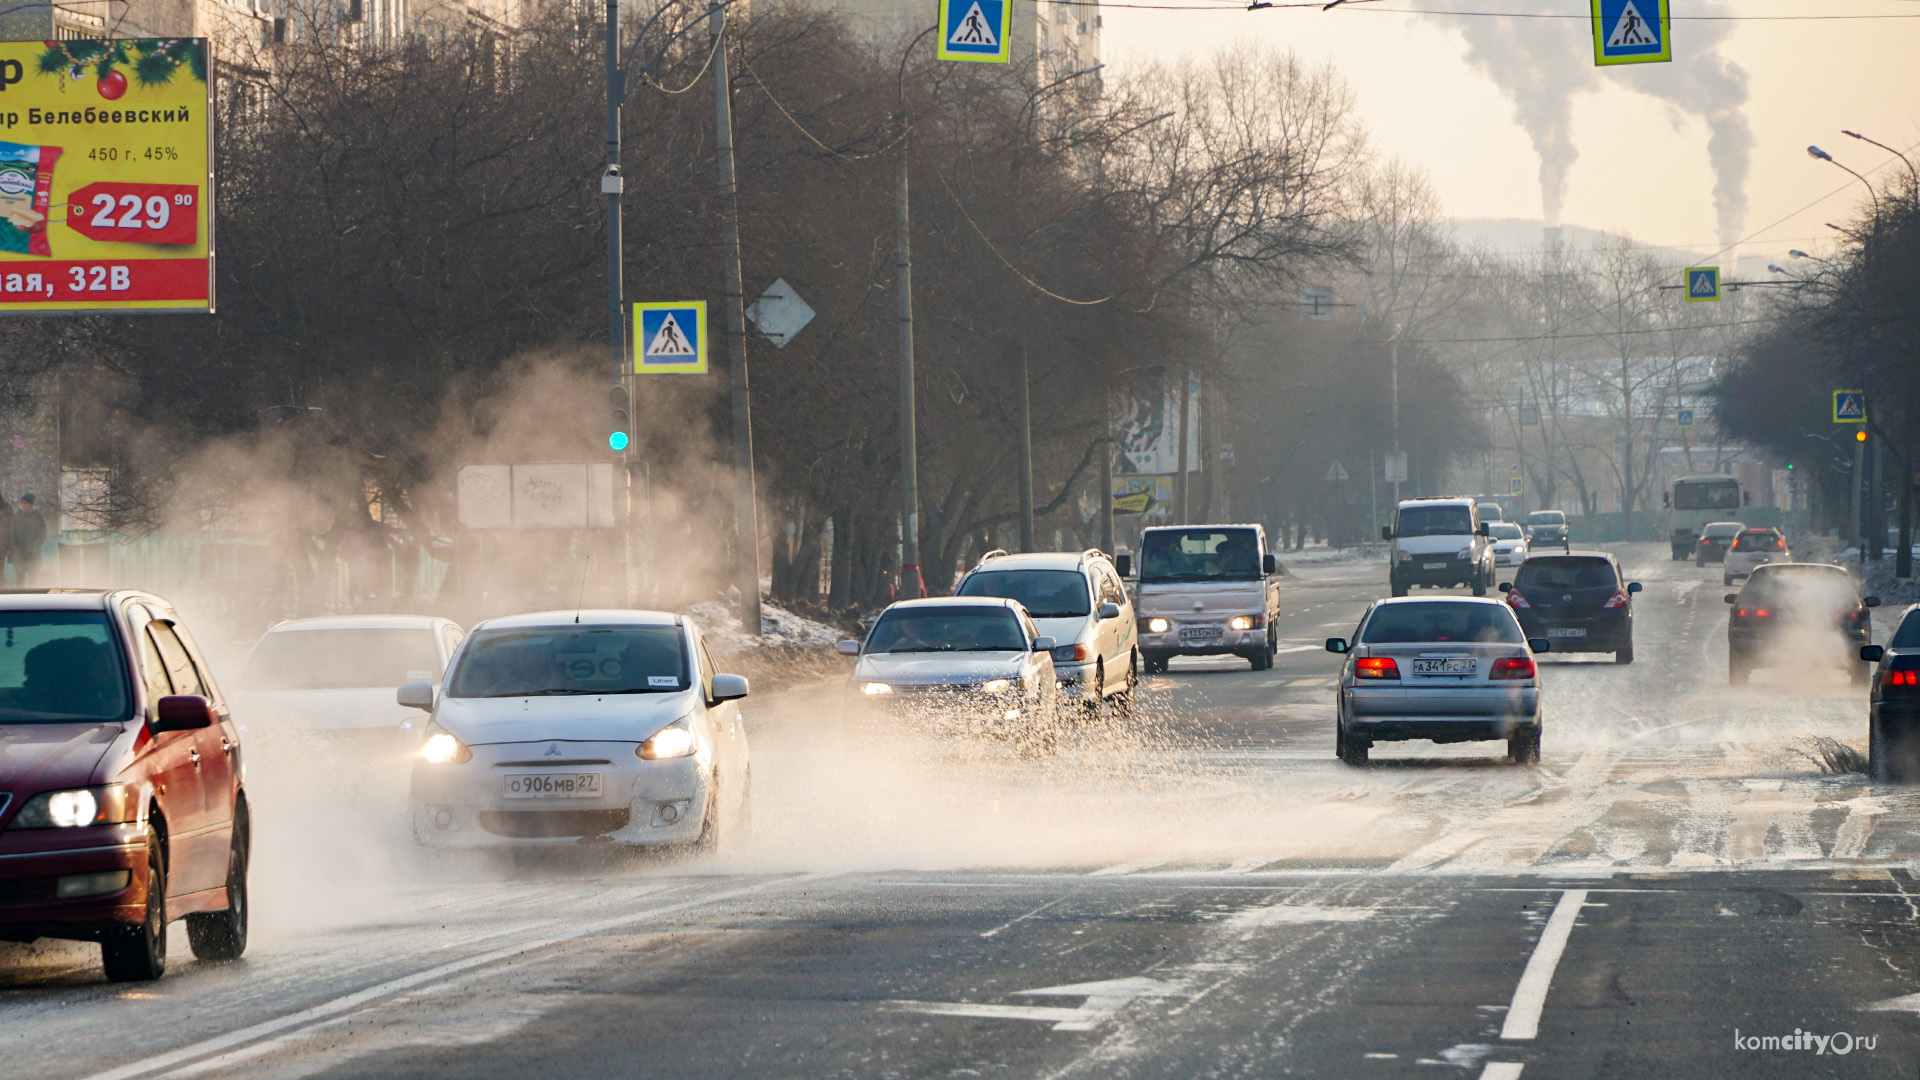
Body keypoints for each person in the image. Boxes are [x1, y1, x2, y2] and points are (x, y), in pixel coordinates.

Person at [9, 491, 46, 586]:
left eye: (26, 503)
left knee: (32, 581)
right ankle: (19, 600)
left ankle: (32, 599)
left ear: (31, 504)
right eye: (22, 502)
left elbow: (42, 533)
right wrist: (15, 549)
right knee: (20, 581)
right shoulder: (17, 517)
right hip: (19, 555)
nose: (23, 505)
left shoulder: (37, 517)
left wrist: (35, 546)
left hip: (34, 555)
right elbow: (12, 534)